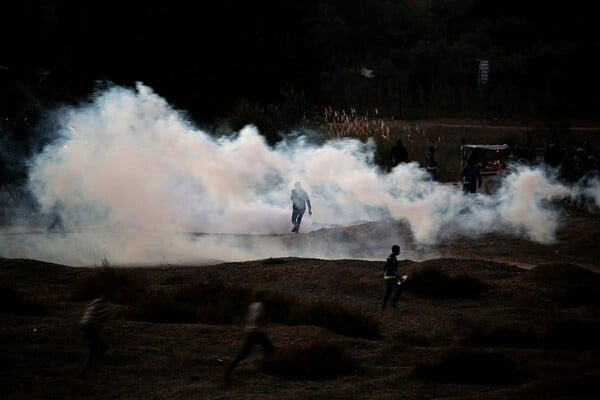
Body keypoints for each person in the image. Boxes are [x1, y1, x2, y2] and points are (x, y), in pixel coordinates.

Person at [225, 291, 275, 383]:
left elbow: (247, 318)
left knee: (244, 353)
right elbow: (258, 318)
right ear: (262, 297)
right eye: (266, 297)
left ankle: (228, 371)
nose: (268, 299)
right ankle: (266, 369)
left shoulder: (252, 305)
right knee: (271, 350)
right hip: (257, 332)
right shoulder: (261, 305)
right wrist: (265, 321)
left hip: (250, 331)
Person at [79, 295, 111, 378]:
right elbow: (106, 317)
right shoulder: (102, 306)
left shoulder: (92, 305)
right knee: (92, 352)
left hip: (85, 327)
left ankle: (99, 359)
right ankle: (83, 372)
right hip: (92, 328)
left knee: (101, 346)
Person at [382, 245, 403, 310]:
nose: (400, 251)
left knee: (389, 292)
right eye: (399, 250)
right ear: (396, 250)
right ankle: (392, 303)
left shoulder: (392, 257)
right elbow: (390, 268)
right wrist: (398, 276)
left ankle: (384, 307)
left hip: (390, 277)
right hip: (390, 277)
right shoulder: (391, 258)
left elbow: (385, 267)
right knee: (399, 288)